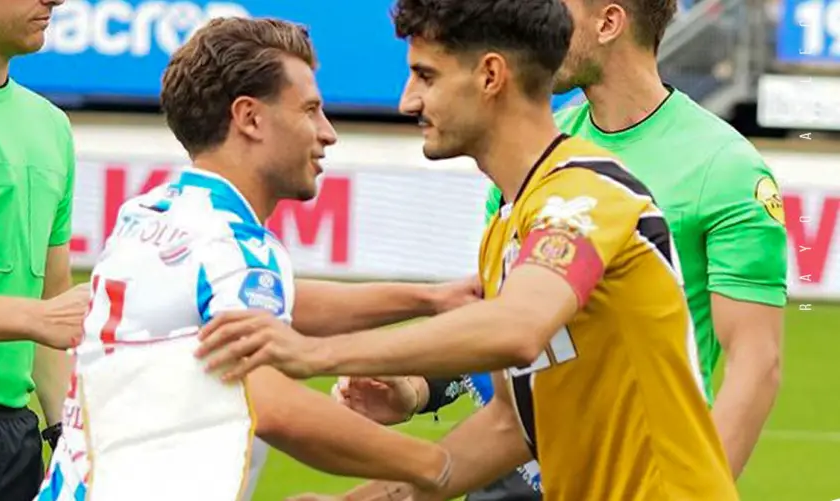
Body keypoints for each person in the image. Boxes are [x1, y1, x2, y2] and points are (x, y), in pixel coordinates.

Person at [196, 0, 740, 499]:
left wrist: (315, 353)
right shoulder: (508, 225)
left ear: (490, 76)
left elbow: (516, 329)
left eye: (425, 76)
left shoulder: (586, 192)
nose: (408, 100)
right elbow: (509, 426)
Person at [337, 0, 788, 496]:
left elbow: (756, 363)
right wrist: (420, 388)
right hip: (512, 463)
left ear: (609, 23)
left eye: (556, 9)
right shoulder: (537, 148)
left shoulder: (723, 168)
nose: (540, 23)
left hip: (631, 474)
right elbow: (504, 319)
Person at [36, 16, 477, 501]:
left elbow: (266, 300)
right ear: (249, 118)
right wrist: (441, 465)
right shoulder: (236, 247)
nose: (327, 133)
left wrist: (429, 298)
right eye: (310, 110)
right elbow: (272, 404)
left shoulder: (151, 212)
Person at [0, 1, 92, 499]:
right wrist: (35, 317)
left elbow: (54, 305)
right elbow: (45, 316)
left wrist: (64, 435)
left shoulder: (51, 126)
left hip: (16, 439)